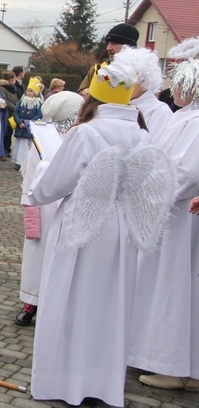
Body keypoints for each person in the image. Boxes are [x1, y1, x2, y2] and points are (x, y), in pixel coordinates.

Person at [28, 54, 175, 407]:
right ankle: (101, 382)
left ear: (93, 96)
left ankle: (63, 381)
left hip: (83, 224)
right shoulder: (142, 135)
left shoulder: (86, 133)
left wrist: (43, 171)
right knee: (110, 304)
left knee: (71, 300)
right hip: (120, 228)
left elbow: (50, 187)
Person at [130, 38, 199, 392]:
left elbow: (185, 174)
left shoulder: (196, 121)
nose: (176, 91)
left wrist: (147, 188)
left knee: (174, 288)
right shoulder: (186, 118)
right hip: (176, 218)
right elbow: (161, 125)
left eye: (182, 83)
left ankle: (171, 363)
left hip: (178, 222)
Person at [15, 91, 84, 327]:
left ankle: (59, 304)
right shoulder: (41, 141)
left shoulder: (81, 139)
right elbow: (31, 178)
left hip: (71, 208)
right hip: (44, 210)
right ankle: (31, 303)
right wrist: (30, 210)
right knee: (38, 257)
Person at [78, 23, 139, 96]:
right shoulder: (97, 70)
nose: (108, 48)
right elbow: (80, 91)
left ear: (129, 47)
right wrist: (84, 92)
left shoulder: (139, 74)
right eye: (108, 43)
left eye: (114, 43)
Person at [124, 46, 172, 136]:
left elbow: (156, 146)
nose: (125, 83)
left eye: (132, 77)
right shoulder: (116, 105)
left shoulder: (160, 112)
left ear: (145, 80)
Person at [11, 79, 44, 167]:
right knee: (20, 145)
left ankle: (26, 162)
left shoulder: (38, 103)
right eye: (28, 91)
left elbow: (39, 115)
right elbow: (16, 112)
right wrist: (19, 122)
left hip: (30, 127)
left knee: (28, 145)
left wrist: (28, 123)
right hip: (21, 125)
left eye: (31, 91)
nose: (28, 93)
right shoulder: (22, 101)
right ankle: (18, 161)